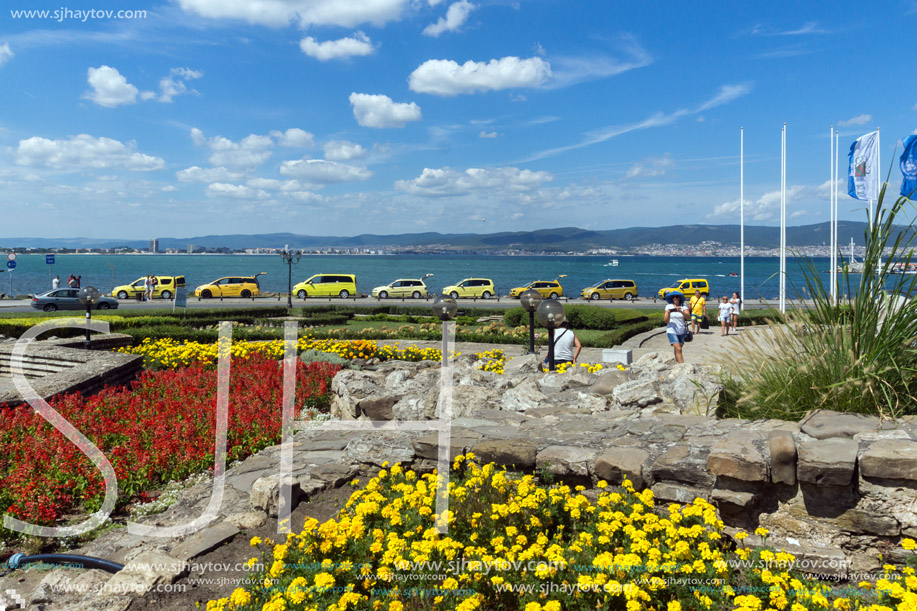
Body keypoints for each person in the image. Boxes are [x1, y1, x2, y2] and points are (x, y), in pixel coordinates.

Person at [665, 293, 690, 363]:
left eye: (676, 297)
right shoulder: (668, 306)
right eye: (673, 297)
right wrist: (668, 313)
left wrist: (681, 311)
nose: (674, 298)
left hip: (681, 330)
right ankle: (682, 366)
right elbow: (665, 320)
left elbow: (688, 316)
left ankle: (677, 363)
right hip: (671, 330)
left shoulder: (683, 306)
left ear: (679, 298)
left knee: (678, 349)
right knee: (678, 349)